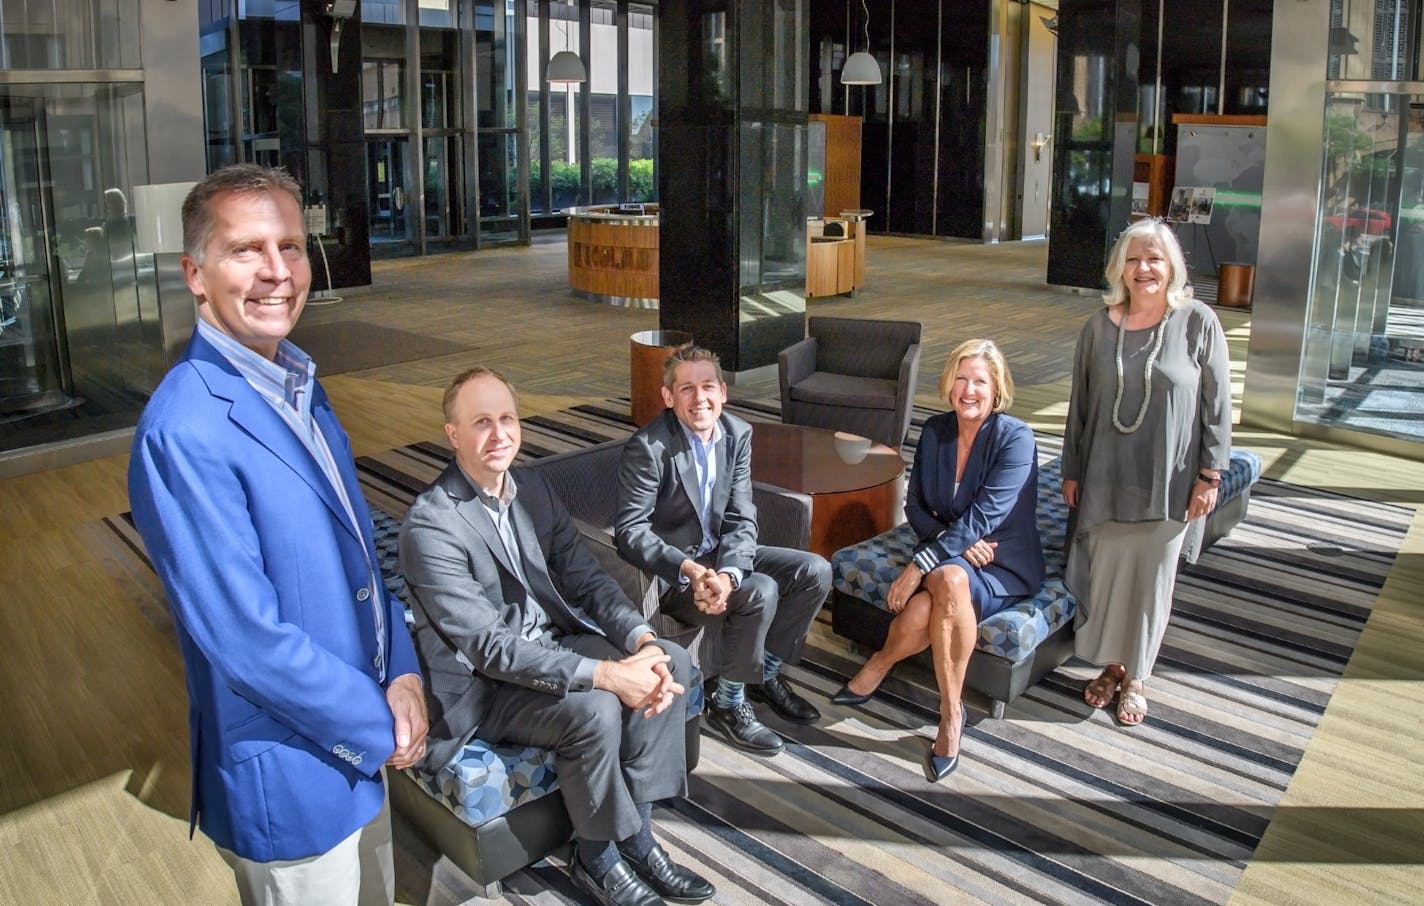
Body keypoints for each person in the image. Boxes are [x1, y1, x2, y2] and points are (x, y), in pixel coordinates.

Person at [127, 164, 428, 905]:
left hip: (363, 745)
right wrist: (381, 721)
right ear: (195, 274)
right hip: (293, 778)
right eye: (246, 250)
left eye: (291, 246)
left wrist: (408, 673)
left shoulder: (298, 384)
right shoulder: (185, 429)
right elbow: (245, 643)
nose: (276, 272)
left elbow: (361, 552)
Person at [400, 367, 715, 906]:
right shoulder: (431, 526)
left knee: (672, 661)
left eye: (507, 418)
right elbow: (489, 649)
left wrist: (640, 641)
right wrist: (608, 674)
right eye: (481, 422)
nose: (499, 434)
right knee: (597, 708)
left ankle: (636, 835)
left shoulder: (533, 488)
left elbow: (587, 580)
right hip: (486, 688)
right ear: (453, 434)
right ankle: (597, 856)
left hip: (548, 648)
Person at [831, 339, 1044, 781]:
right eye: (961, 379)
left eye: (980, 381)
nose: (969, 390)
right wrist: (954, 545)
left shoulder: (1016, 438)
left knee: (933, 592)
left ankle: (915, 687)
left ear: (997, 388)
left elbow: (988, 515)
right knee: (948, 578)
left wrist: (917, 566)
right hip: (957, 555)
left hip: (1002, 563)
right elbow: (915, 508)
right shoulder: (935, 431)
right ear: (948, 384)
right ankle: (946, 707)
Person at [615, 346, 833, 756]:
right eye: (686, 389)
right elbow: (629, 531)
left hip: (721, 558)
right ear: (668, 397)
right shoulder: (648, 447)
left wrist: (730, 574)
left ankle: (765, 673)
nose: (699, 399)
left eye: (707, 386)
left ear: (723, 391)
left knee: (815, 571)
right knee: (762, 590)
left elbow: (741, 513)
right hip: (676, 575)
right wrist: (691, 570)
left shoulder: (737, 433)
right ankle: (728, 704)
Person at [1062, 217, 1232, 727]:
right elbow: (1080, 407)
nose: (1144, 269)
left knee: (1152, 581)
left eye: (1155, 258)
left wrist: (1210, 476)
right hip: (1106, 476)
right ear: (1120, 267)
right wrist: (1072, 471)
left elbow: (1218, 405)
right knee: (1111, 576)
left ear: (1173, 266)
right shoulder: (1098, 326)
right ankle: (1113, 666)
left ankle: (1137, 676)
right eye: (1134, 259)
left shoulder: (1199, 321)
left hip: (1171, 480)